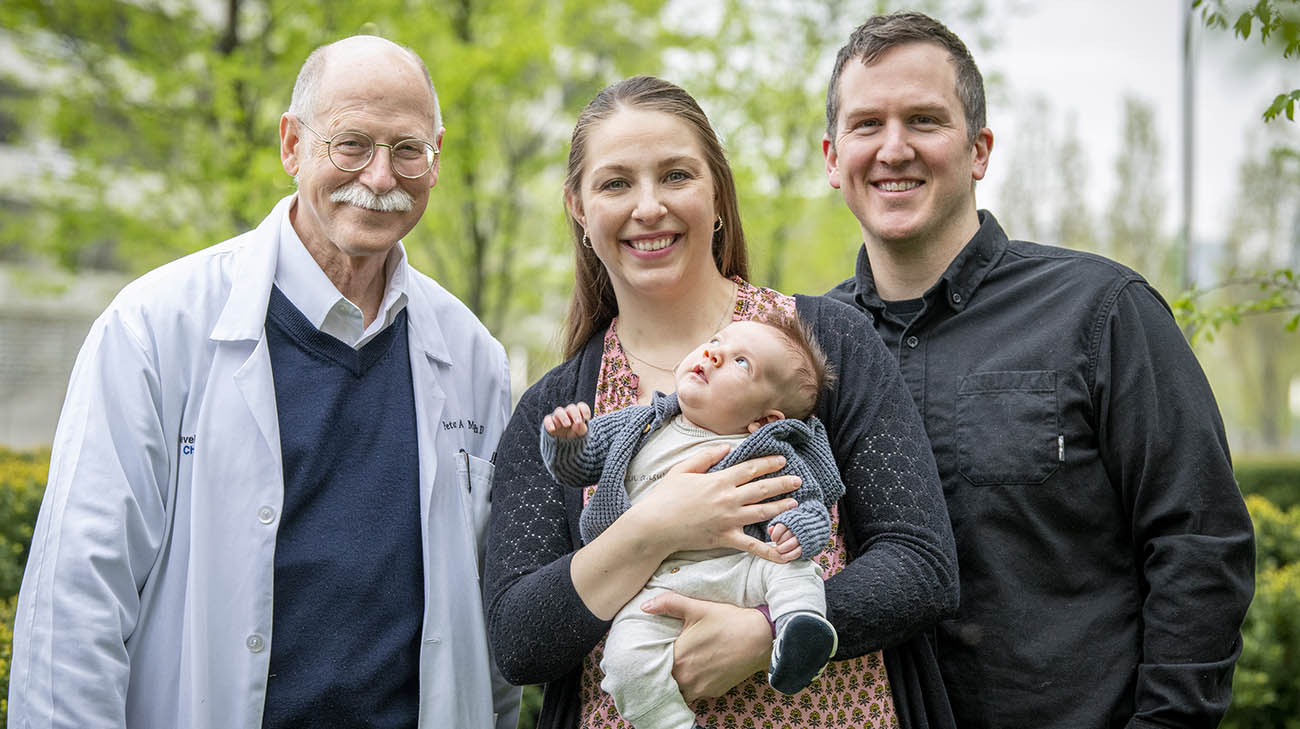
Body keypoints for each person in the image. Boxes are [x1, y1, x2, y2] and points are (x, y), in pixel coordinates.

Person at [8, 35, 518, 729]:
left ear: (436, 157)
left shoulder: (474, 358)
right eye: (351, 143)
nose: (379, 175)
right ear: (290, 145)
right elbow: (74, 610)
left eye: (407, 149)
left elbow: (487, 627)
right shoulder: (154, 329)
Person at [820, 12, 1256, 728]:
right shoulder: (804, 348)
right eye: (868, 125)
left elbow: (1199, 538)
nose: (893, 148)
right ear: (834, 158)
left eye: (925, 120)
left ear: (980, 149)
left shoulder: (1103, 312)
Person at [484, 75, 959, 729]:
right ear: (578, 208)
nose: (648, 207)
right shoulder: (562, 409)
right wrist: (656, 526)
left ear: (716, 197)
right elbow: (519, 641)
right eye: (616, 183)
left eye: (676, 175)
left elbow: (922, 564)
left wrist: (764, 632)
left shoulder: (821, 345)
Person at [541, 318, 844, 729]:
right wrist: (567, 440)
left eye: (740, 363)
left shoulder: (768, 448)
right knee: (623, 661)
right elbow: (578, 465)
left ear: (766, 419)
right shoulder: (641, 424)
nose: (713, 353)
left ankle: (798, 630)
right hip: (655, 585)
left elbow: (808, 502)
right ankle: (672, 722)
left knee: (790, 568)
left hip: (738, 567)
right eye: (715, 340)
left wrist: (797, 531)